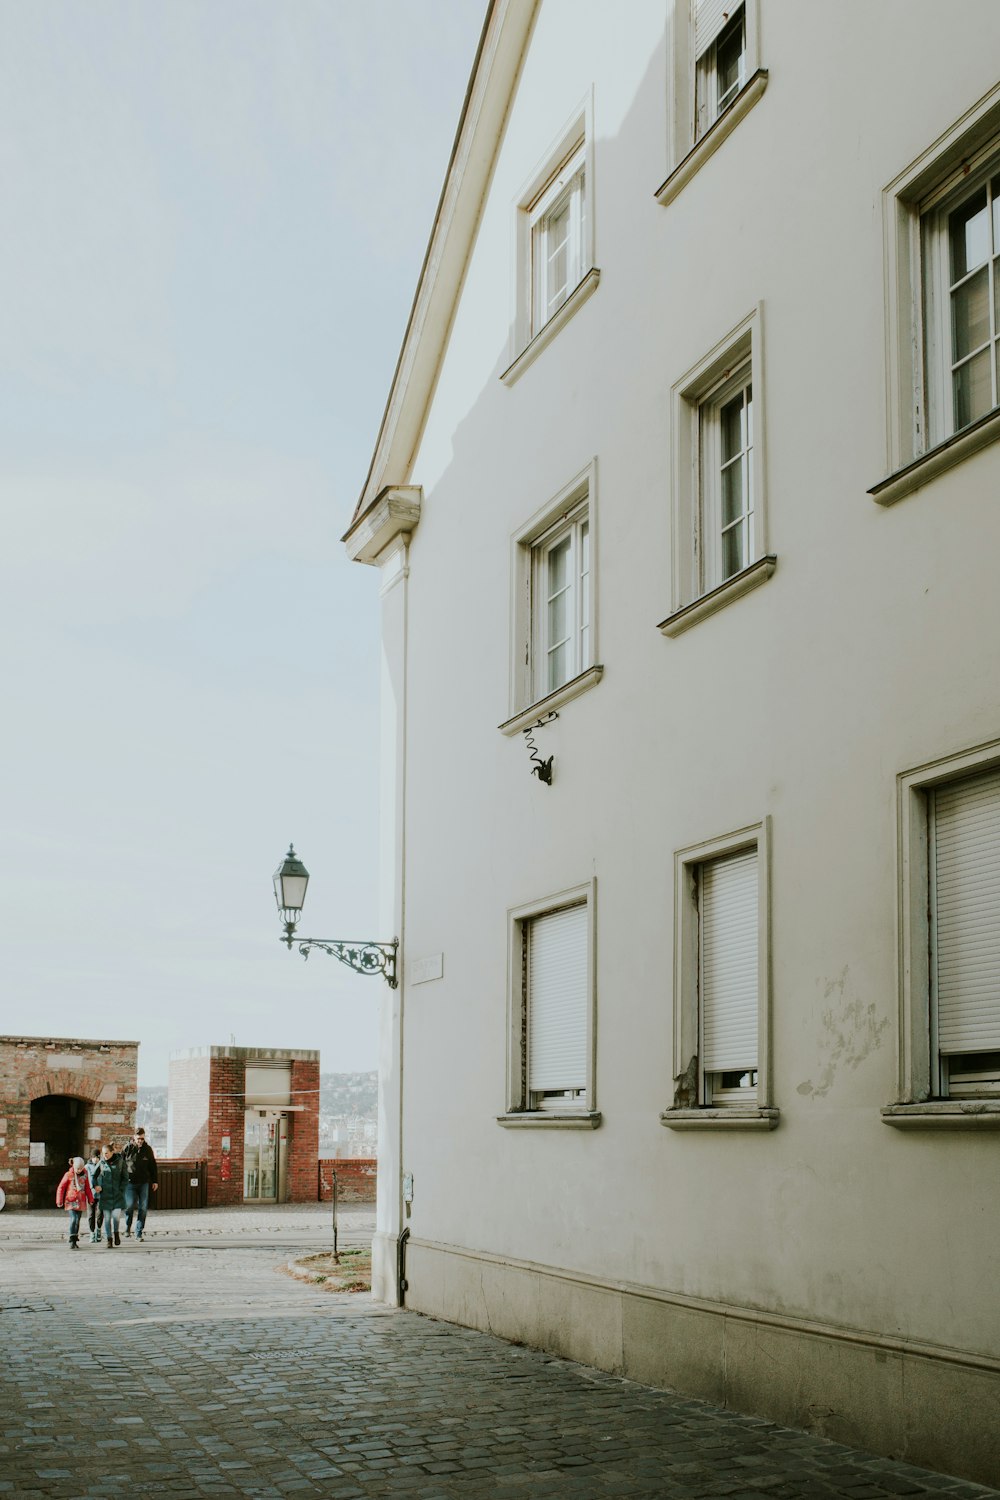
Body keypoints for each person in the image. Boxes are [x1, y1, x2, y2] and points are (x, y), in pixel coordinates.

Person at [122, 1125, 158, 1241]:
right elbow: (120, 1164)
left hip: (144, 1183)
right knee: (129, 1206)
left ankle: (138, 1232)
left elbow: (153, 1166)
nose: (140, 1141)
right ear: (134, 1137)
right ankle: (127, 1226)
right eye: (138, 1139)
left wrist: (155, 1181)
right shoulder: (127, 1148)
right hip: (130, 1183)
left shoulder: (148, 1149)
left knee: (143, 1207)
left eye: (142, 1138)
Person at [55, 1156, 94, 1249]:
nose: (79, 1170)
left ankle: (75, 1238)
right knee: (74, 1219)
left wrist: (91, 1199)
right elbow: (61, 1187)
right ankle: (72, 1238)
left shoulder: (85, 1174)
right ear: (74, 1166)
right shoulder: (68, 1175)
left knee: (78, 1221)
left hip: (81, 1201)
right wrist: (59, 1200)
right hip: (71, 1200)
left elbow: (87, 1188)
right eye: (77, 1168)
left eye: (81, 1168)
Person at [94, 1142, 128, 1248]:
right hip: (106, 1195)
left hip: (117, 1195)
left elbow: (125, 1178)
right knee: (107, 1219)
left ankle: (116, 1233)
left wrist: (121, 1190)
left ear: (112, 1152)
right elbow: (93, 1176)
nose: (105, 1156)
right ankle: (109, 1239)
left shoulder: (120, 1162)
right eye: (103, 1154)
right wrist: (96, 1186)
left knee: (116, 1217)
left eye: (107, 1153)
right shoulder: (102, 1163)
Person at [85, 1149, 104, 1242]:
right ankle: (92, 1232)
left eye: (97, 1157)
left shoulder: (102, 1165)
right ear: (90, 1157)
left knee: (100, 1213)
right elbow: (86, 1179)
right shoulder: (87, 1167)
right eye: (93, 1157)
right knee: (91, 1214)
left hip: (101, 1193)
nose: (95, 1159)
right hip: (91, 1193)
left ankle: (99, 1230)